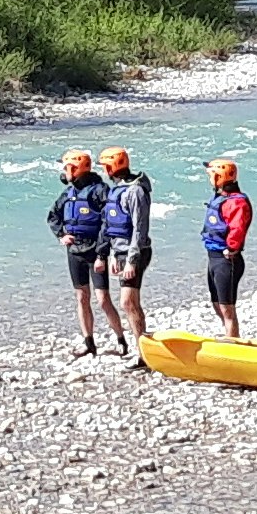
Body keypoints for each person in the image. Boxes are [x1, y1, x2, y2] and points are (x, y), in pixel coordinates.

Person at [46, 149, 113, 353]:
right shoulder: (68, 193)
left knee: (102, 299)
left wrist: (103, 252)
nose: (65, 172)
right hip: (75, 250)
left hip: (95, 250)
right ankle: (89, 343)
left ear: (77, 168)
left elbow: (109, 220)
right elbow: (53, 216)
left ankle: (121, 339)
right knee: (82, 297)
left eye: (68, 167)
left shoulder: (99, 190)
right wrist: (61, 235)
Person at [96, 146, 153, 360]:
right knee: (129, 303)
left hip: (136, 253)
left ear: (114, 166)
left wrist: (131, 260)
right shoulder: (117, 189)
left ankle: (143, 353)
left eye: (106, 167)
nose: (104, 171)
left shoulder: (135, 191)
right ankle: (143, 350)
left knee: (128, 303)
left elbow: (140, 228)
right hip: (120, 253)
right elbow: (112, 225)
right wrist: (110, 254)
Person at [200, 157, 252, 333]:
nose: (209, 180)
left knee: (227, 308)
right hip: (213, 258)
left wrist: (231, 248)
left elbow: (238, 228)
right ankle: (230, 335)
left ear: (219, 178)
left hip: (226, 260)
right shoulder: (221, 198)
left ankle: (233, 344)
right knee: (217, 304)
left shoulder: (237, 202)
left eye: (211, 175)